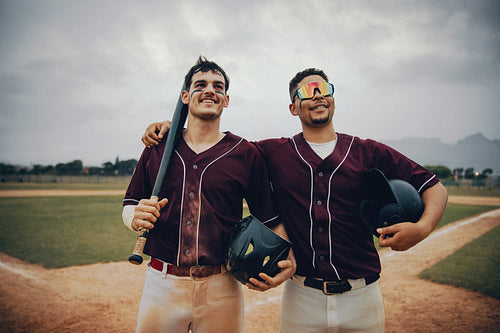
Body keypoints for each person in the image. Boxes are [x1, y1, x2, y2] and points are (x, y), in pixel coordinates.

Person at [142, 68, 448, 332]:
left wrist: (423, 228)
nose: (316, 95)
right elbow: (221, 147)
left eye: (323, 89)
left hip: (363, 294)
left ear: (332, 99)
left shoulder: (367, 151)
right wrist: (173, 130)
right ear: (293, 107)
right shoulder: (274, 151)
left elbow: (434, 187)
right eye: (306, 91)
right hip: (302, 296)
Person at [122, 56, 295, 333]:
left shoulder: (245, 153)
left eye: (218, 86)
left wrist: (287, 256)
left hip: (222, 286)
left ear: (225, 100)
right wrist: (134, 218)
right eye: (200, 84)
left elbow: (270, 216)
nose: (210, 90)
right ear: (185, 96)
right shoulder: (158, 147)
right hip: (162, 283)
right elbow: (130, 204)